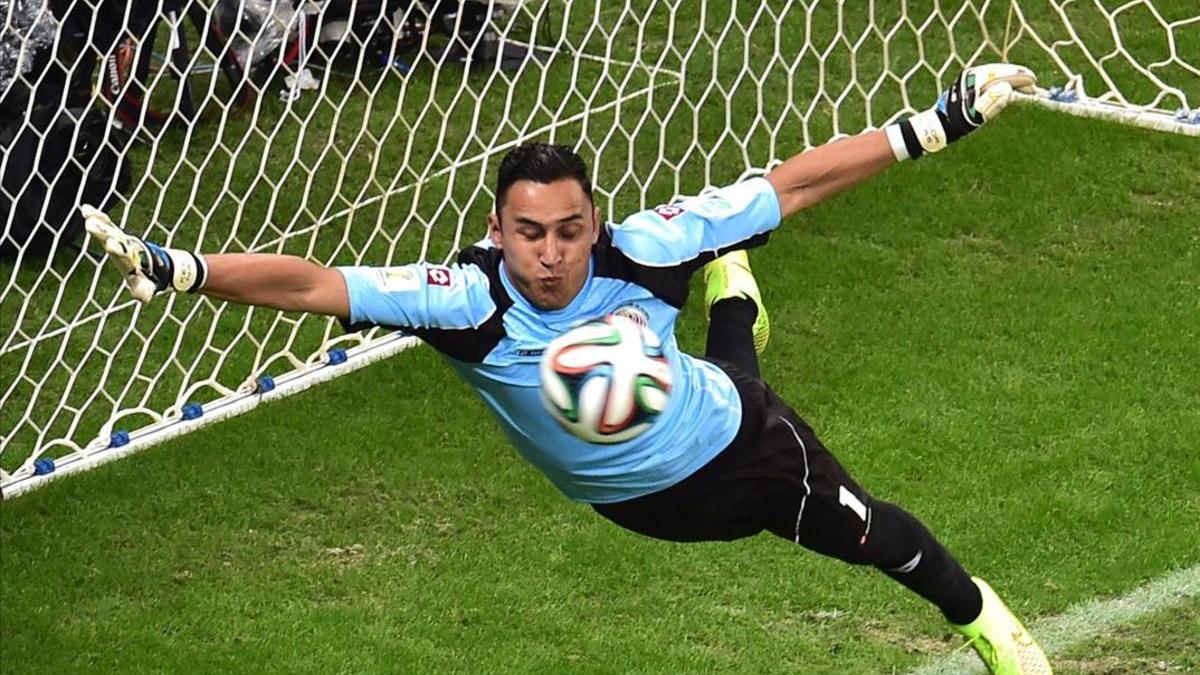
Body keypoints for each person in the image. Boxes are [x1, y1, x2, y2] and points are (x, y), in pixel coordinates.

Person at [83, 63, 1051, 674]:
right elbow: (311, 284)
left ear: (598, 221)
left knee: (869, 531)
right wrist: (181, 270)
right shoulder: (463, 301)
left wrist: (940, 122)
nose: (550, 255)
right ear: (497, 228)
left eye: (570, 232)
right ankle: (737, 297)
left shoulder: (652, 244)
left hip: (737, 453)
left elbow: (799, 181)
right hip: (633, 502)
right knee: (725, 353)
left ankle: (994, 631)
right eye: (528, 233)